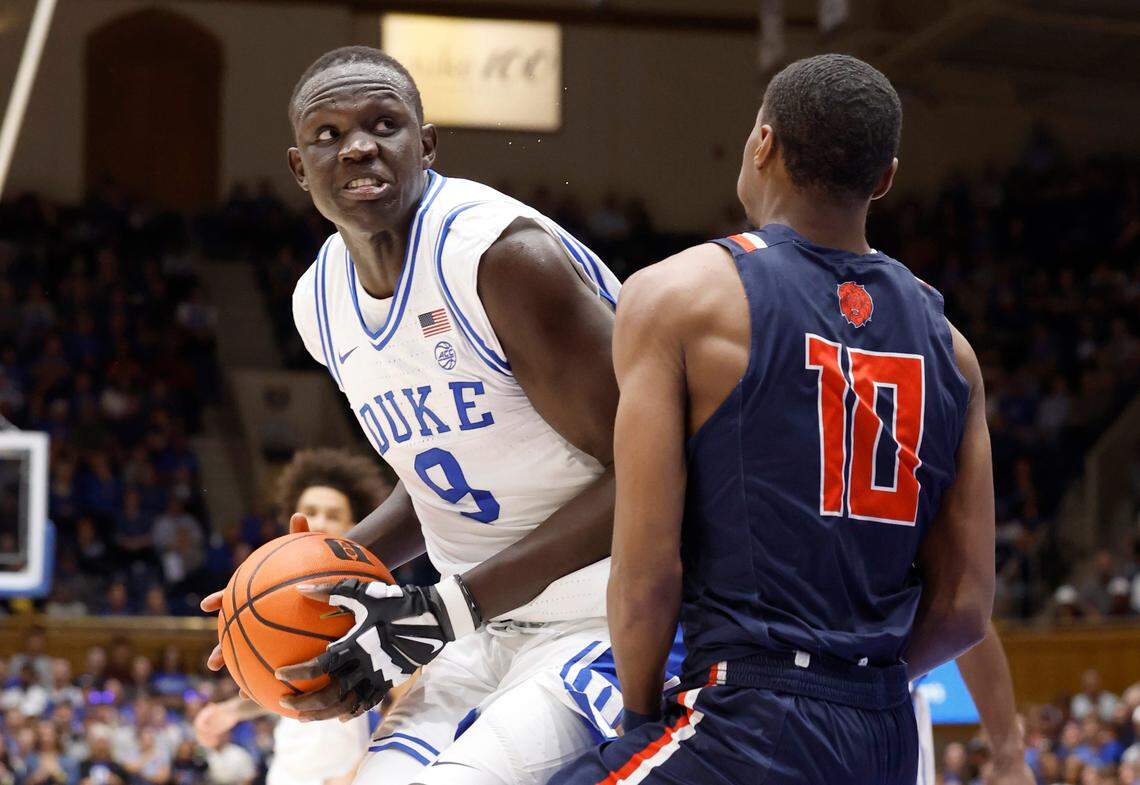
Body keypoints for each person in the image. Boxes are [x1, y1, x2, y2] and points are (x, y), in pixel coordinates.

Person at [552, 54, 995, 785]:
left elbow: (646, 573)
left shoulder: (679, 296)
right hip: (884, 735)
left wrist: (639, 719)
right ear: (884, 178)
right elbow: (965, 608)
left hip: (743, 716)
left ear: (762, 143)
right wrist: (852, 682)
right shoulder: (954, 349)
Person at [202, 45, 631, 785]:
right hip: (483, 624)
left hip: (610, 618)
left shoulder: (498, 259)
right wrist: (298, 584)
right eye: (328, 133)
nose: (358, 144)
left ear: (425, 145)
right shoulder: (319, 304)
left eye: (382, 123)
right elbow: (443, 471)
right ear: (300, 168)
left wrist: (450, 605)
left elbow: (652, 471)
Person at [194, 449, 388, 785]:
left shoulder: (379, 601)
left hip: (344, 773)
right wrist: (230, 712)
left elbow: (404, 702)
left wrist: (362, 771)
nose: (318, 522)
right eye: (310, 512)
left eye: (332, 514)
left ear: (355, 527)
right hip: (285, 773)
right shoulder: (273, 597)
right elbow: (284, 683)